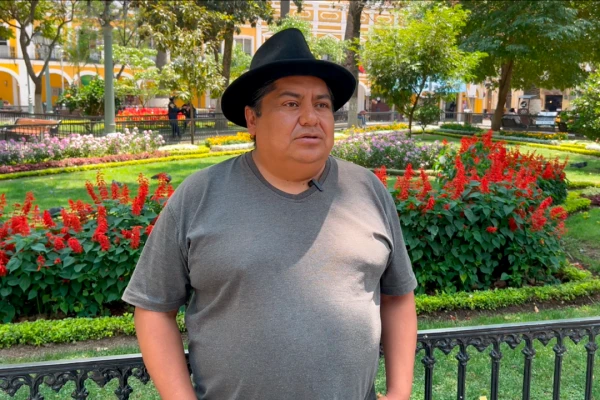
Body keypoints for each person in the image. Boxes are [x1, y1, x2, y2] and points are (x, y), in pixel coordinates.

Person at [123, 28, 417, 400]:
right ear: (252, 118)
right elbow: (153, 308)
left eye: (322, 105)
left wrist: (399, 392)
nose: (311, 118)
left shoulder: (367, 191)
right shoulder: (199, 196)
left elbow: (397, 297)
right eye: (291, 104)